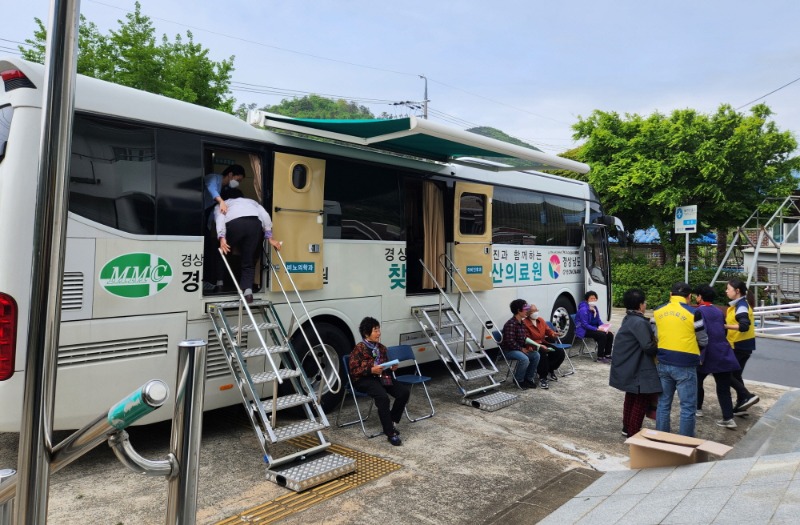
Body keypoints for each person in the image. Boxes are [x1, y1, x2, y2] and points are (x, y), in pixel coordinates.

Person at [653, 282, 708, 437]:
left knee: (663, 404)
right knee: (688, 407)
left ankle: (662, 440)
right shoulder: (694, 313)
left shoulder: (658, 311)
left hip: (663, 361)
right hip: (686, 364)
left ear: (671, 295)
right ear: (689, 297)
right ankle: (684, 443)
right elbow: (703, 340)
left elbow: (656, 335)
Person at [348, 317, 410, 446]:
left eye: (378, 330)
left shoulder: (381, 348)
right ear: (366, 333)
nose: (379, 333)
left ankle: (391, 421)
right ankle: (390, 433)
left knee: (403, 392)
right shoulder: (358, 349)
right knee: (383, 397)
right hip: (364, 380)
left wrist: (391, 367)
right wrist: (371, 370)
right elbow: (354, 370)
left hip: (382, 377)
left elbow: (384, 364)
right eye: (375, 330)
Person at [609, 289, 661, 438]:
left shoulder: (628, 318)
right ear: (640, 305)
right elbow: (648, 347)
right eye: (644, 303)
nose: (645, 305)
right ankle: (633, 432)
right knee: (641, 400)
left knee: (630, 397)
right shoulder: (639, 322)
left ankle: (626, 428)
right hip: (638, 368)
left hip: (629, 366)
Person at [214, 188, 281, 303]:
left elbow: (220, 218)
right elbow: (265, 215)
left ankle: (220, 283)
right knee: (248, 258)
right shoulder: (251, 202)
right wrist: (270, 237)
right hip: (254, 224)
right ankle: (248, 292)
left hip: (235, 224)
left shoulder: (223, 203)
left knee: (222, 252)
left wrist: (222, 237)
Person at [694, 284, 740, 429]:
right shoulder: (719, 311)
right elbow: (724, 330)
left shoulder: (699, 312)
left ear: (700, 297)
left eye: (697, 295)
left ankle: (698, 408)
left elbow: (699, 333)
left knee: (697, 381)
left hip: (707, 354)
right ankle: (728, 418)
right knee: (723, 387)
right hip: (723, 352)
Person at [203, 164, 246, 290]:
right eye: (238, 180)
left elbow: (214, 212)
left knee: (208, 250)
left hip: (207, 221)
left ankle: (207, 281)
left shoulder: (225, 189)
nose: (237, 183)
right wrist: (221, 201)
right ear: (231, 174)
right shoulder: (213, 179)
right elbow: (211, 190)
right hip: (198, 215)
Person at [725, 279, 760, 415]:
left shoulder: (741, 306)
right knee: (736, 374)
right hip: (743, 345)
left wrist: (724, 326)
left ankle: (747, 396)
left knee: (726, 373)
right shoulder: (738, 305)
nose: (726, 291)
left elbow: (744, 325)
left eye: (728, 288)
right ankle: (742, 404)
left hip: (739, 345)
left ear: (737, 291)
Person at [522, 303, 566, 390]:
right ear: (527, 313)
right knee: (542, 355)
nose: (535, 312)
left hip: (543, 342)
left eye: (536, 310)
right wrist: (535, 346)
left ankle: (550, 369)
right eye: (533, 311)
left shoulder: (540, 320)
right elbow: (525, 338)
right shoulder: (524, 323)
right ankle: (543, 377)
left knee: (560, 352)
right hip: (533, 345)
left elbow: (548, 331)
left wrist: (553, 334)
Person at [499, 299, 541, 389]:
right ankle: (519, 380)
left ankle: (528, 379)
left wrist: (528, 347)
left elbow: (523, 338)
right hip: (509, 350)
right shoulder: (510, 324)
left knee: (536, 355)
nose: (528, 311)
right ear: (518, 310)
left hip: (518, 348)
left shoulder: (521, 323)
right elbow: (510, 342)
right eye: (525, 309)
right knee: (524, 359)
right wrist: (521, 349)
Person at [575, 291, 614, 362]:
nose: (593, 300)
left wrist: (605, 328)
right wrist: (597, 329)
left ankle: (607, 354)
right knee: (602, 335)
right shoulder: (583, 310)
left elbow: (598, 320)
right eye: (591, 299)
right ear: (587, 300)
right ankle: (600, 357)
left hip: (593, 328)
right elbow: (585, 325)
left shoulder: (594, 308)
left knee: (610, 334)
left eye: (594, 298)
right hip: (584, 330)